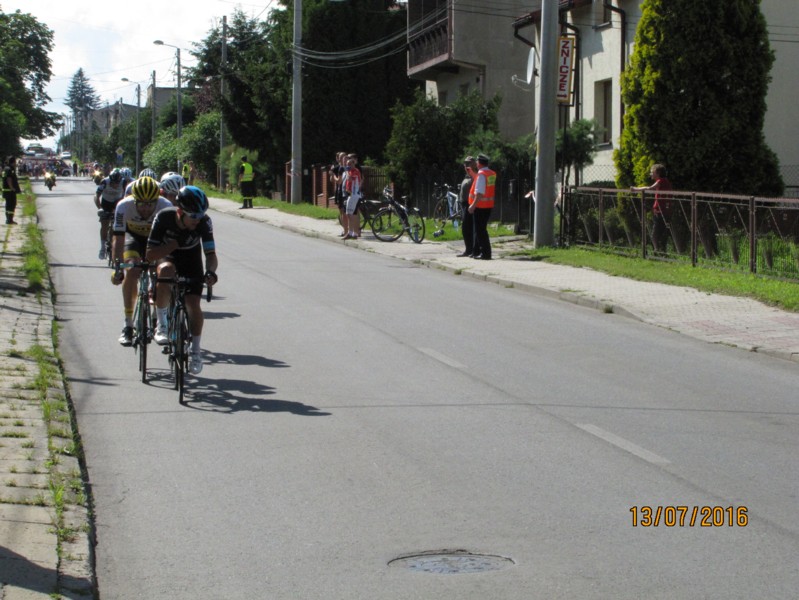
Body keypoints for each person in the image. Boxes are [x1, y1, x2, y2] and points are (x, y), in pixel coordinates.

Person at [146, 186, 218, 375]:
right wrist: (174, 244)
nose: (197, 219)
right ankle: (162, 325)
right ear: (180, 211)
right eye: (193, 216)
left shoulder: (204, 222)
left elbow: (211, 254)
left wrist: (211, 272)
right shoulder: (163, 217)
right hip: (166, 255)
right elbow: (150, 254)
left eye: (200, 215)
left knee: (193, 304)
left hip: (191, 259)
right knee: (166, 271)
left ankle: (195, 351)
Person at [110, 176, 173, 346]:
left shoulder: (166, 206)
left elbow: (169, 240)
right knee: (132, 270)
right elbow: (118, 238)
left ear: (157, 201)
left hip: (156, 239)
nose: (146, 208)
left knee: (163, 270)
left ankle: (160, 321)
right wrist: (118, 267)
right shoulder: (123, 206)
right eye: (141, 204)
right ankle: (128, 324)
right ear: (134, 200)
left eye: (150, 204)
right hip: (133, 237)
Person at [632, 163, 673, 253]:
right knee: (659, 232)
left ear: (658, 173)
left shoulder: (661, 181)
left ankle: (657, 250)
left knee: (656, 233)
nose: (651, 174)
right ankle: (659, 250)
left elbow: (650, 188)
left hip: (661, 211)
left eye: (652, 172)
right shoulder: (664, 181)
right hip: (661, 210)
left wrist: (636, 189)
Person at [95, 168, 133, 259]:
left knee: (116, 226)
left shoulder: (123, 182)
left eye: (117, 183)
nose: (115, 185)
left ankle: (114, 244)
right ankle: (102, 248)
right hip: (106, 204)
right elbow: (96, 196)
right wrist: (100, 208)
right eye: (113, 183)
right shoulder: (105, 182)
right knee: (104, 224)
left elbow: (127, 196)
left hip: (117, 203)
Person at [467, 154, 496, 260]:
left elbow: (479, 193)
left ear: (479, 163)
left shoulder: (482, 175)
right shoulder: (491, 173)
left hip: (480, 206)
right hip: (488, 205)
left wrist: (472, 206)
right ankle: (478, 251)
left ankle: (486, 253)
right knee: (482, 229)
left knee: (480, 231)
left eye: (477, 161)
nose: (476, 163)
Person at [456, 156, 477, 257]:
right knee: (466, 227)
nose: (466, 165)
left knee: (467, 227)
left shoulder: (475, 175)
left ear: (474, 164)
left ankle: (471, 249)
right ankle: (469, 249)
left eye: (469, 163)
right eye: (465, 163)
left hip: (471, 204)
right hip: (464, 204)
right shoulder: (467, 176)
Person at [342, 154, 362, 240]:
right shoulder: (351, 171)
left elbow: (349, 179)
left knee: (350, 214)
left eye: (350, 164)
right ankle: (353, 233)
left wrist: (346, 171)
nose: (348, 166)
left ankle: (352, 233)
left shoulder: (355, 171)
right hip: (351, 194)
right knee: (350, 213)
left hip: (354, 195)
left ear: (354, 164)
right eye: (347, 164)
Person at [329, 152, 348, 237]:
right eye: (340, 157)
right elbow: (331, 180)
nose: (341, 159)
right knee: (342, 211)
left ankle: (346, 230)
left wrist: (333, 175)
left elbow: (338, 181)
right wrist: (332, 174)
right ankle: (345, 229)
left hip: (344, 191)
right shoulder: (337, 168)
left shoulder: (345, 168)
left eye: (343, 157)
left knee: (345, 212)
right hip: (339, 191)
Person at [2, 157, 22, 225]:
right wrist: (12, 188)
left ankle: (8, 219)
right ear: (13, 162)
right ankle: (9, 220)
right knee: (11, 205)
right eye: (15, 162)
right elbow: (9, 179)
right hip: (10, 191)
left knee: (8, 205)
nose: (16, 163)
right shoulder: (9, 169)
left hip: (7, 191)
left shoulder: (6, 168)